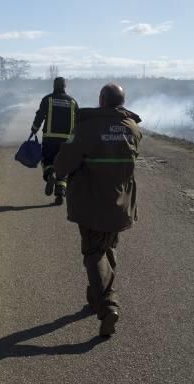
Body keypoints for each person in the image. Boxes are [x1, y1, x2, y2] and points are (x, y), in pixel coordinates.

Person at [53, 82, 142, 337]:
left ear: (102, 100)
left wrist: (55, 172)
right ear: (121, 103)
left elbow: (64, 162)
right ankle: (95, 296)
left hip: (91, 202)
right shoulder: (132, 128)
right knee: (108, 246)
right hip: (121, 204)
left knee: (93, 251)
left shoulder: (86, 127)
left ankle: (108, 306)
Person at [30, 76, 78, 205]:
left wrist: (34, 129)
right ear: (65, 87)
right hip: (67, 141)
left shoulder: (48, 99)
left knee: (47, 160)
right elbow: (78, 121)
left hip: (50, 139)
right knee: (63, 166)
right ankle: (60, 194)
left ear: (53, 86)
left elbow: (39, 116)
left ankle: (50, 173)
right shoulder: (72, 101)